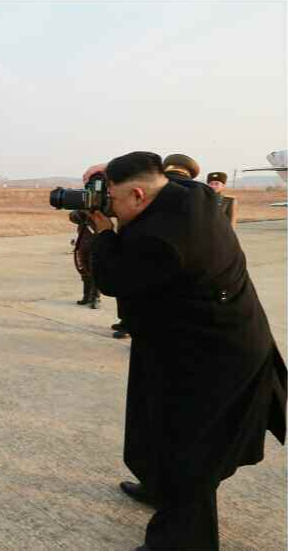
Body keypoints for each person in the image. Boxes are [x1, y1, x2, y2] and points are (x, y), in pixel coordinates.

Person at [85, 151, 286, 550]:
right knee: (153, 422)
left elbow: (112, 278)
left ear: (140, 195)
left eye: (115, 199)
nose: (111, 207)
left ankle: (183, 540)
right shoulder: (190, 193)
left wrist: (103, 232)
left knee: (190, 449)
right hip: (179, 341)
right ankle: (158, 486)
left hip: (214, 355)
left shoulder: (162, 241)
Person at [69, 210, 100, 309]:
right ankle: (86, 296)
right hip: (83, 245)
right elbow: (73, 217)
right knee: (84, 271)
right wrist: (83, 212)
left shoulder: (101, 213)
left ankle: (95, 298)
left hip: (96, 246)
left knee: (95, 273)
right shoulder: (83, 213)